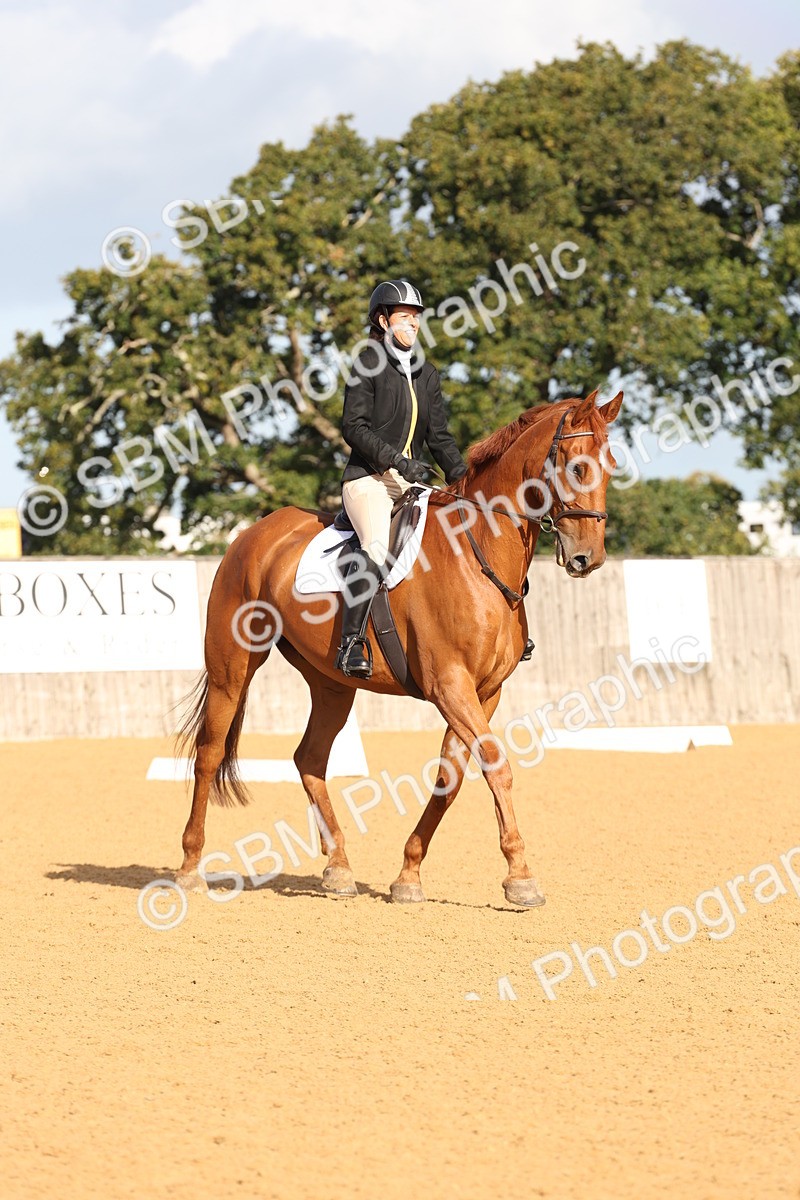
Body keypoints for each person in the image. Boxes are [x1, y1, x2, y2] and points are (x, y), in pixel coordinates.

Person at [335, 279, 468, 678]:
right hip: (368, 480)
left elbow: (439, 438)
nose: (414, 324)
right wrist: (395, 460)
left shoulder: (426, 374)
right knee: (376, 546)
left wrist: (465, 481)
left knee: (458, 534)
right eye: (405, 317)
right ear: (383, 320)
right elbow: (354, 427)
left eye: (416, 318)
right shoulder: (368, 363)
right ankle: (350, 643)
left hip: (409, 482)